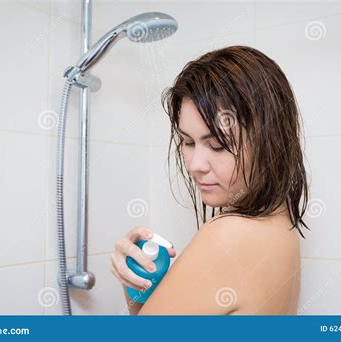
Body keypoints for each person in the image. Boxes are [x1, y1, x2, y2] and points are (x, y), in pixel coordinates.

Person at [110, 45, 310, 315]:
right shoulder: (281, 221)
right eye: (188, 142)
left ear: (269, 142)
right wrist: (137, 283)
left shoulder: (230, 237)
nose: (195, 165)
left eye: (217, 144)